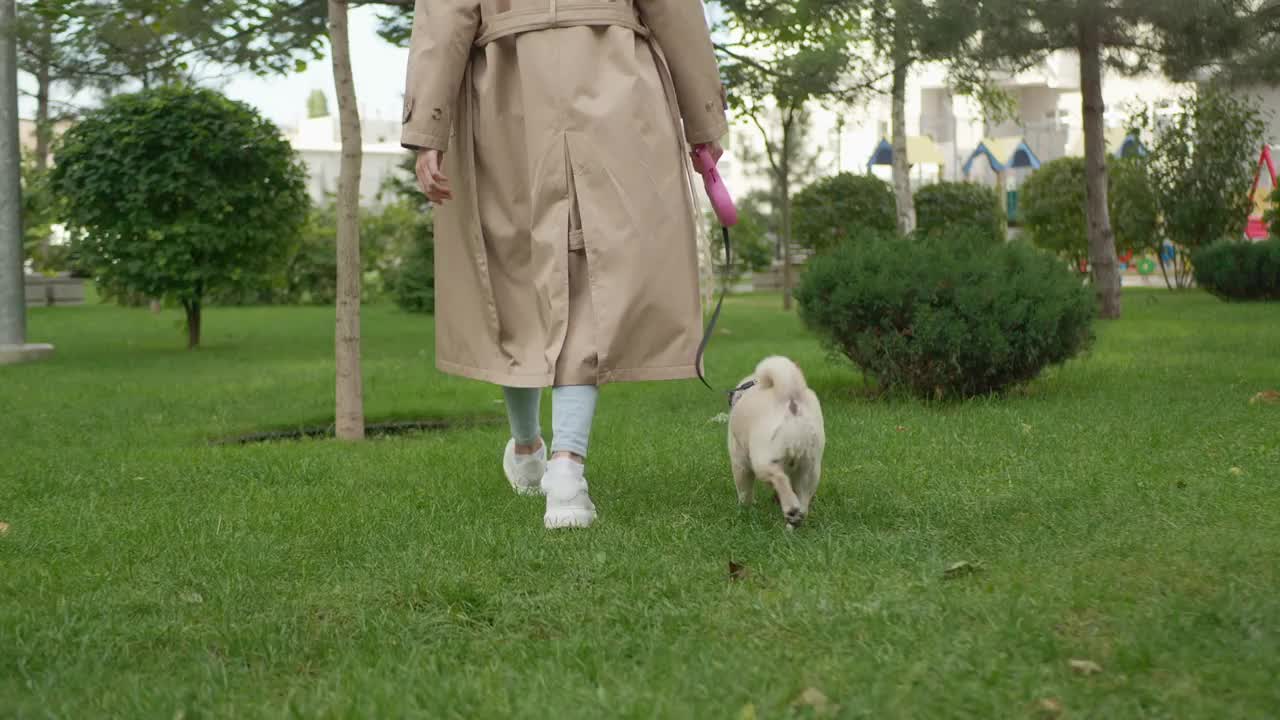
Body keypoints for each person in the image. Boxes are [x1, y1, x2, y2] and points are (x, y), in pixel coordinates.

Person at [401, 0, 727, 529]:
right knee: (588, 272)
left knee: (515, 270)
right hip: (614, 78)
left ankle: (533, 451)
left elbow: (445, 17)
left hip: (507, 86)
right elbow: (674, 11)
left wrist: (427, 129)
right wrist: (703, 118)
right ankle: (564, 472)